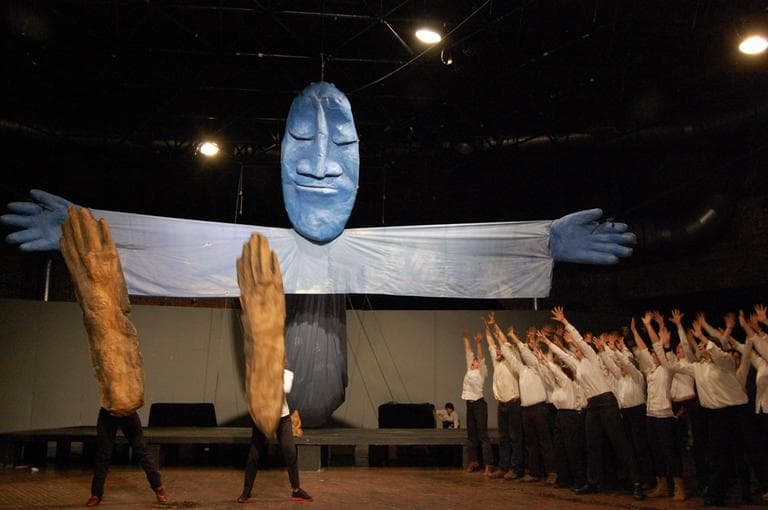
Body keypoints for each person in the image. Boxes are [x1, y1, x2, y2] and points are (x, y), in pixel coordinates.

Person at [549, 306, 645, 500]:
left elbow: (578, 342)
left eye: (578, 347)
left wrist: (565, 321)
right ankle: (593, 482)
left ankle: (636, 483)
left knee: (619, 443)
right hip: (593, 405)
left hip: (606, 401)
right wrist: (547, 342)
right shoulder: (578, 365)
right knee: (592, 444)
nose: (576, 349)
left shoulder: (592, 357)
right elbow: (563, 355)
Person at [238, 362, 312, 503]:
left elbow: (285, 389)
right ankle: (247, 490)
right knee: (254, 454)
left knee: (290, 451)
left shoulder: (287, 374)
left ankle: (296, 490)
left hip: (282, 418)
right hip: (262, 417)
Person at [88, 410, 166, 507]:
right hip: (108, 410)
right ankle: (96, 494)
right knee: (103, 454)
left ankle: (158, 486)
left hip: (127, 410)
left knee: (141, 449)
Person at [484, 313, 524, 480]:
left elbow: (500, 341)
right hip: (502, 405)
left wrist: (495, 325)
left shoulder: (510, 360)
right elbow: (492, 344)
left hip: (514, 403)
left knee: (515, 437)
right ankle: (504, 467)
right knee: (504, 437)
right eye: (499, 351)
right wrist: (486, 328)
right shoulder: (497, 362)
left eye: (502, 350)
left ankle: (516, 469)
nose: (499, 351)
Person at [461, 329, 493, 475]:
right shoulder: (469, 369)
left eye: (475, 362)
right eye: (473, 362)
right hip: (470, 404)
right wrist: (466, 337)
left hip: (479, 404)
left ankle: (488, 464)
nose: (474, 362)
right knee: (471, 435)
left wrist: (479, 343)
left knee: (482, 435)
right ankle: (473, 461)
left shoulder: (482, 371)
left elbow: (480, 357)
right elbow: (468, 351)